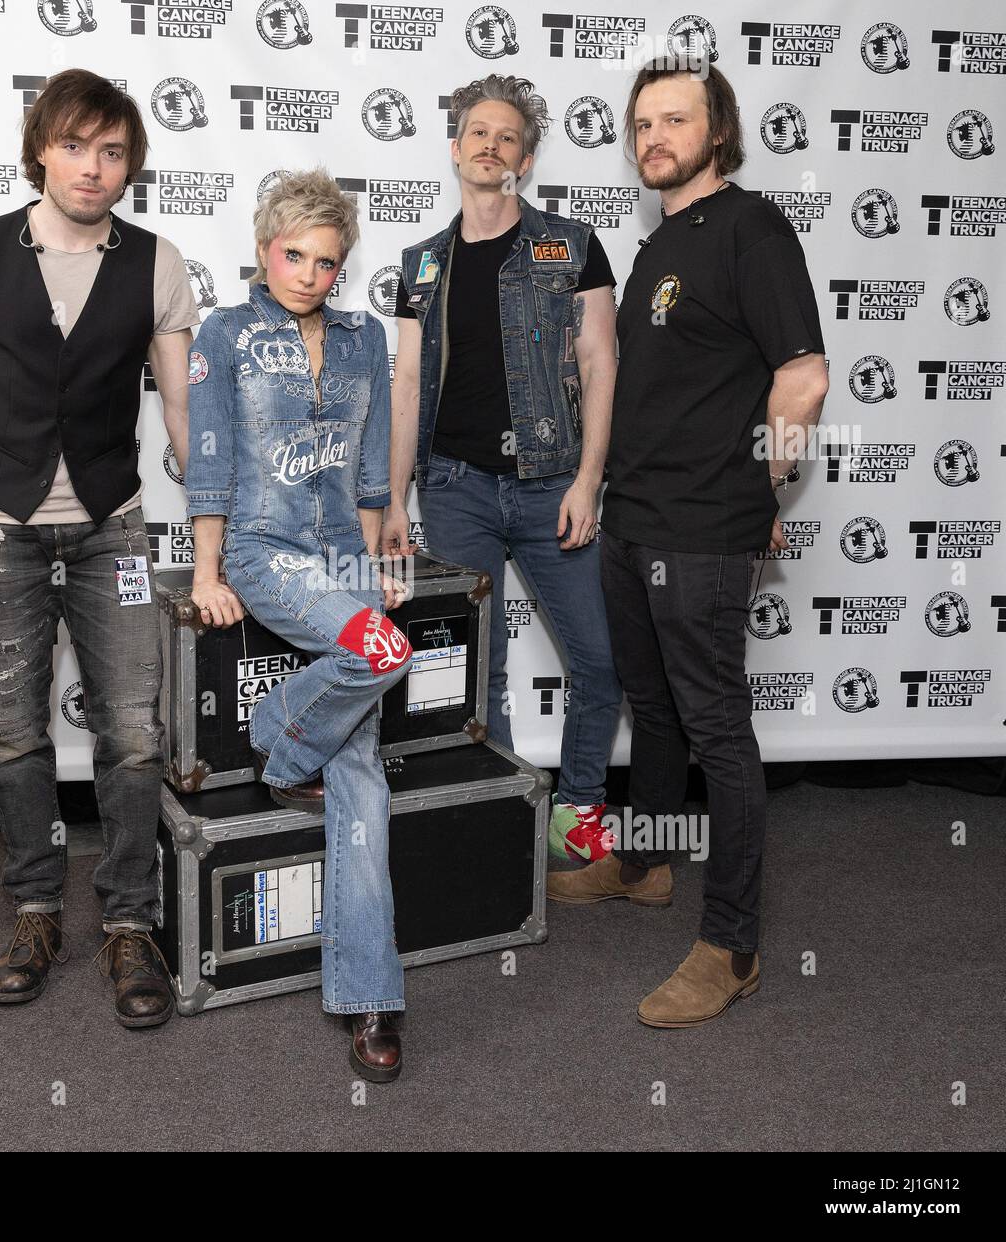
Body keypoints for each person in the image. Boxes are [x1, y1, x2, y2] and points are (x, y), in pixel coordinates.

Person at [0, 69, 199, 1028]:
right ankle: (37, 908)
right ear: (41, 147)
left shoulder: (159, 265)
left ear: (130, 168)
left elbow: (187, 425)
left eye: (113, 151)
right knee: (16, 732)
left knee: (132, 732)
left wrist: (227, 521)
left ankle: (130, 922)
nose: (93, 166)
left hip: (114, 527)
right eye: (76, 144)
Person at [550, 58, 827, 1028]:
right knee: (653, 707)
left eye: (675, 119)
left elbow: (800, 375)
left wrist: (759, 484)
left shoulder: (751, 228)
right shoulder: (663, 241)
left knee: (717, 730)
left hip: (702, 530)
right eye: (641, 124)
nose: (653, 137)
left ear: (719, 132)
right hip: (633, 519)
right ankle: (644, 865)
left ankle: (734, 946)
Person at [185, 169, 411, 1082]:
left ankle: (371, 996)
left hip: (340, 555)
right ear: (262, 245)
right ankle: (279, 735)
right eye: (295, 255)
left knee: (360, 769)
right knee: (384, 657)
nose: (311, 274)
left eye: (328, 261)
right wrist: (206, 571)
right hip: (265, 551)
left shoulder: (363, 341)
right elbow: (208, 461)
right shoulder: (226, 334)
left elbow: (366, 472)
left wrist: (369, 567)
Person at [383, 74, 622, 868]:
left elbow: (599, 362)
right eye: (477, 132)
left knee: (596, 660)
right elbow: (408, 387)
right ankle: (510, 809)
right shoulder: (420, 264)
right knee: (476, 671)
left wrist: (589, 480)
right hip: (454, 488)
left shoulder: (573, 245)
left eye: (507, 136)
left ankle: (579, 808)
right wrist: (392, 499)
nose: (491, 145)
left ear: (525, 156)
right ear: (455, 149)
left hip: (554, 484)